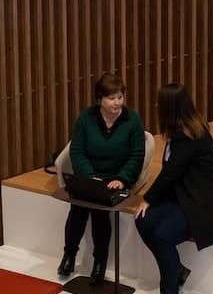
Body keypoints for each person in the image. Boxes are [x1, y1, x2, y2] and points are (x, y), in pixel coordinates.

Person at [135, 82, 213, 294]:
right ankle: (177, 270)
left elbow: (171, 173)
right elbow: (172, 174)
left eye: (161, 102)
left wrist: (148, 198)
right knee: (142, 220)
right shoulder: (178, 132)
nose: (157, 105)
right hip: (187, 195)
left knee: (161, 235)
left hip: (206, 203)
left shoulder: (188, 137)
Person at [57, 73, 146, 282]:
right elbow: (77, 151)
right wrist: (90, 177)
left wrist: (123, 178)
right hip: (89, 177)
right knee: (78, 208)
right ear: (100, 99)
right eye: (111, 98)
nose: (117, 102)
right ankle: (69, 254)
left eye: (120, 97)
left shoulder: (132, 121)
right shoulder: (86, 119)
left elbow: (136, 156)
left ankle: (100, 262)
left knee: (100, 213)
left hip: (116, 178)